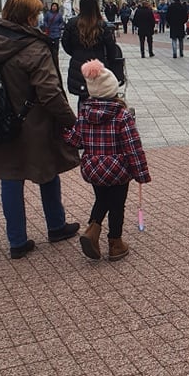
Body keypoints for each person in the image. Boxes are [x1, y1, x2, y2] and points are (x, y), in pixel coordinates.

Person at [0, 0, 80, 259]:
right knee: (47, 170)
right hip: (33, 123)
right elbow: (49, 92)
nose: (39, 17)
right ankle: (56, 225)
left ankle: (17, 241)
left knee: (10, 177)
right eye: (36, 13)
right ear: (29, 17)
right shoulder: (34, 47)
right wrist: (70, 120)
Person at [64, 59, 151, 262]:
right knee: (117, 204)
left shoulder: (84, 113)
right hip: (118, 169)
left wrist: (63, 134)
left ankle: (92, 231)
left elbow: (76, 140)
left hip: (93, 168)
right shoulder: (121, 115)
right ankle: (115, 243)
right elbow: (133, 146)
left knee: (102, 198)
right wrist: (141, 174)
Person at [61, 0, 117, 104]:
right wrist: (109, 62)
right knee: (99, 96)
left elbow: (65, 44)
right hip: (98, 64)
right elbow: (111, 47)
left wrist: (76, 53)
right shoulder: (101, 25)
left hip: (78, 65)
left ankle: (83, 120)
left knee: (82, 98)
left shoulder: (72, 23)